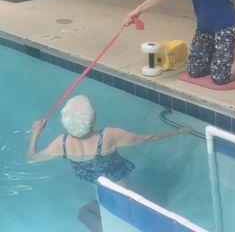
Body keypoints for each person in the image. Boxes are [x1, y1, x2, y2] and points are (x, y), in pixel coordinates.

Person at [27, 95, 190, 231]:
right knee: (130, 209)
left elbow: (31, 158)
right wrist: (177, 132)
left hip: (95, 182)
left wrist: (36, 132)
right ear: (92, 119)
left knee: (105, 202)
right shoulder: (108, 136)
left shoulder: (60, 143)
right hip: (119, 182)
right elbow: (148, 138)